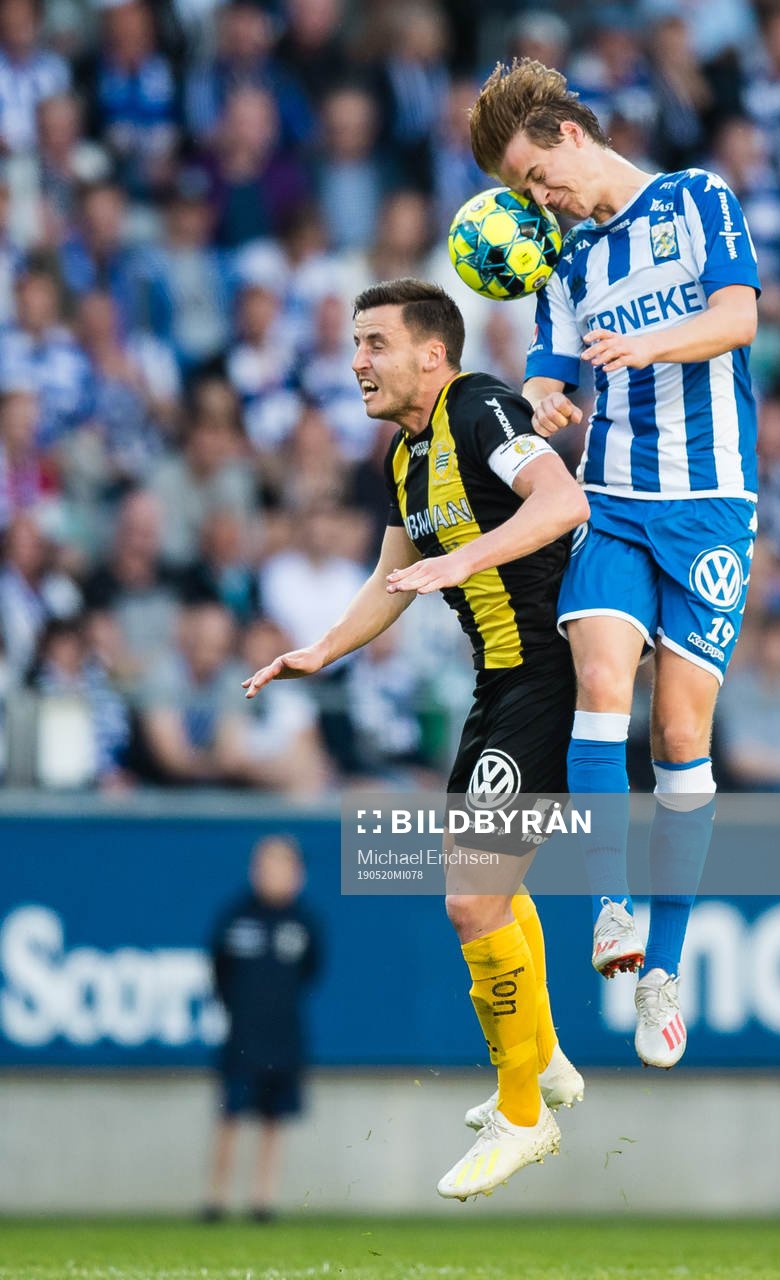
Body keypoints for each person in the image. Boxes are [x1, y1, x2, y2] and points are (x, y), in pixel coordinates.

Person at [243, 278, 589, 1201]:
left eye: (375, 343)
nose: (358, 361)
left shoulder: (479, 407)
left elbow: (561, 502)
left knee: (471, 902)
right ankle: (542, 1060)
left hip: (548, 677)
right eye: (354, 344)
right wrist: (321, 650)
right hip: (498, 686)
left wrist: (463, 559)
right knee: (488, 891)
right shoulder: (405, 453)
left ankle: (524, 1112)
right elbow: (391, 576)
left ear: (432, 354)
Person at [469, 60, 761, 1069]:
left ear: (566, 135)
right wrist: (544, 398)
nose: (537, 199)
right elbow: (545, 370)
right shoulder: (565, 259)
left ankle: (662, 971)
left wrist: (652, 346)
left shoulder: (694, 199)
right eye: (519, 193)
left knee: (678, 732)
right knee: (600, 680)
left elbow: (738, 317)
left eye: (533, 176)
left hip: (711, 505)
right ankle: (608, 907)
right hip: (617, 502)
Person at [206, 835, 322, 1220]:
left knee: (274, 1117)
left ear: (298, 874)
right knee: (230, 1113)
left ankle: (263, 1198)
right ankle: (217, 1198)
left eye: (283, 866)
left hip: (284, 1035)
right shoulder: (236, 918)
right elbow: (219, 969)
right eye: (266, 866)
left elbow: (311, 970)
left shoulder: (303, 922)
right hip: (242, 1036)